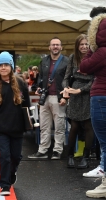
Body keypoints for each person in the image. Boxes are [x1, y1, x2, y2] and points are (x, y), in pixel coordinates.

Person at [0, 51, 30, 196]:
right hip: (1, 128)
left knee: (16, 156)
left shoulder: (20, 83)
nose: (3, 68)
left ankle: (11, 174)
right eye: (0, 65)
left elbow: (26, 105)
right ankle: (5, 184)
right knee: (5, 156)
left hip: (18, 127)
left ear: (11, 66)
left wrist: (29, 122)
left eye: (6, 65)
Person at [28, 37, 69, 160]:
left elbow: (69, 80)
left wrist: (65, 97)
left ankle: (57, 151)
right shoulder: (44, 61)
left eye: (57, 45)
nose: (55, 47)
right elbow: (40, 78)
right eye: (53, 45)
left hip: (59, 97)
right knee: (44, 126)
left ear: (61, 47)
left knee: (59, 126)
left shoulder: (66, 61)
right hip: (45, 98)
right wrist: (38, 87)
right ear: (49, 47)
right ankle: (43, 150)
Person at [80, 12, 106, 198]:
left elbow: (84, 67)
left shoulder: (102, 51)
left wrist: (92, 47)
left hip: (101, 97)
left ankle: (105, 185)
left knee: (105, 143)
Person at [61, 34, 94, 169]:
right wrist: (66, 88)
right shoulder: (72, 58)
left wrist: (81, 90)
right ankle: (69, 156)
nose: (84, 46)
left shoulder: (94, 57)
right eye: (82, 44)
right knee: (74, 126)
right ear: (77, 46)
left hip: (88, 93)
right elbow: (66, 77)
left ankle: (85, 157)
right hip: (74, 93)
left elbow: (95, 80)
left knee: (88, 126)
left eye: (86, 44)